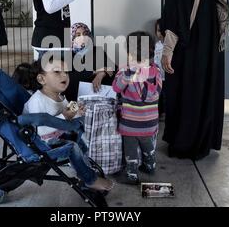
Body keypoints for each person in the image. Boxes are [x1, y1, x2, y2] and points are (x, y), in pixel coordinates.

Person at [153, 0, 229, 160]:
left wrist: (168, 50)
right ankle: (198, 141)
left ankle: (186, 143)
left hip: (189, 46)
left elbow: (180, 13)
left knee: (187, 89)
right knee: (199, 88)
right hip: (203, 44)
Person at [21, 54, 114, 191]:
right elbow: (39, 129)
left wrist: (76, 110)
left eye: (66, 72)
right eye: (57, 72)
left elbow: (66, 111)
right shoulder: (37, 101)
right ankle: (90, 179)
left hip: (57, 134)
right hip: (42, 143)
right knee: (72, 147)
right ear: (42, 79)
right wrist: (65, 116)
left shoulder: (59, 95)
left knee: (81, 133)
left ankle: (82, 164)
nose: (64, 76)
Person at [112, 32, 162, 185]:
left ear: (129, 53)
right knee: (149, 148)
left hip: (130, 123)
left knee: (131, 151)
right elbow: (156, 93)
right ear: (152, 52)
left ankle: (132, 174)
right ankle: (150, 166)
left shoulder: (124, 71)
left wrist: (128, 75)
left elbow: (116, 88)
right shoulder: (156, 71)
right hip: (150, 122)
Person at [63, 22, 116, 101]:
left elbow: (113, 68)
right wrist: (95, 72)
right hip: (76, 97)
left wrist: (101, 74)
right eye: (78, 35)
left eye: (85, 34)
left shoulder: (97, 50)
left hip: (100, 96)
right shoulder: (68, 54)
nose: (83, 37)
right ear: (72, 38)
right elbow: (69, 77)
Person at [154, 19, 166, 121]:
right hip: (158, 77)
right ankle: (160, 112)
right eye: (158, 30)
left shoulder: (169, 46)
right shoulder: (157, 45)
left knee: (167, 96)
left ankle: (166, 112)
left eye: (162, 31)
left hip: (167, 76)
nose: (160, 33)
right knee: (159, 96)